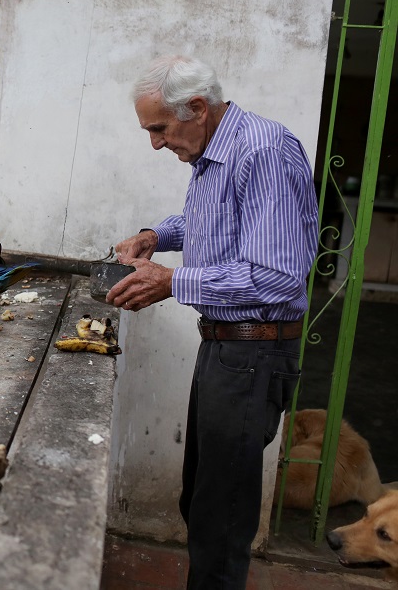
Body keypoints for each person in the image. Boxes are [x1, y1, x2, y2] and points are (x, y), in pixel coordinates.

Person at [107, 54, 318, 589]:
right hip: (225, 348)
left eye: (159, 128)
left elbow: (277, 278)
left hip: (254, 353)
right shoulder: (214, 153)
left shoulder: (264, 152)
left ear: (196, 108)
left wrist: (172, 282)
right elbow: (211, 224)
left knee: (221, 517)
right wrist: (156, 236)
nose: (155, 143)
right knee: (202, 497)